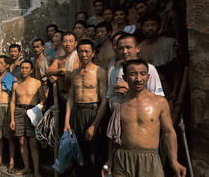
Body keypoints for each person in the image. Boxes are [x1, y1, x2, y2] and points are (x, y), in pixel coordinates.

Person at [103, 59, 186, 177]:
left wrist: (174, 161)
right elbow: (112, 133)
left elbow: (168, 132)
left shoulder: (159, 102)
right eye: (133, 74)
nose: (138, 79)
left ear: (148, 76)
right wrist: (110, 161)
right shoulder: (118, 102)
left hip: (150, 159)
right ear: (125, 77)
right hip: (122, 158)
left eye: (142, 74)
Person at [63, 39, 107, 176]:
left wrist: (95, 125)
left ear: (93, 53)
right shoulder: (74, 72)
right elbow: (71, 97)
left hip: (93, 112)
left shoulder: (100, 72)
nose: (83, 54)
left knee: (93, 153)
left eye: (87, 51)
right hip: (77, 112)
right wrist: (66, 121)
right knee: (78, 151)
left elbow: (104, 100)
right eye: (81, 51)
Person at [10, 60, 45, 177]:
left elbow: (43, 100)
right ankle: (26, 167)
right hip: (19, 112)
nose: (24, 70)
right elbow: (12, 102)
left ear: (31, 70)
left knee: (33, 142)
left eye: (26, 68)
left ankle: (36, 170)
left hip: (32, 112)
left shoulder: (37, 83)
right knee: (21, 141)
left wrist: (38, 110)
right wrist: (12, 119)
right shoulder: (16, 84)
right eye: (22, 68)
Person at [107, 33, 164, 99]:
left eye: (128, 47)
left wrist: (131, 90)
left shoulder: (149, 68)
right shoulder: (115, 71)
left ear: (138, 48)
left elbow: (158, 97)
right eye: (121, 48)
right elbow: (110, 97)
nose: (124, 51)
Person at [138, 13, 180, 101]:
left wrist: (175, 90)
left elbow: (177, 69)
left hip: (164, 85)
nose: (150, 28)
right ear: (142, 29)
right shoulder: (139, 47)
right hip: (144, 88)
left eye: (153, 25)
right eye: (146, 25)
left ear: (159, 26)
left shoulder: (169, 43)